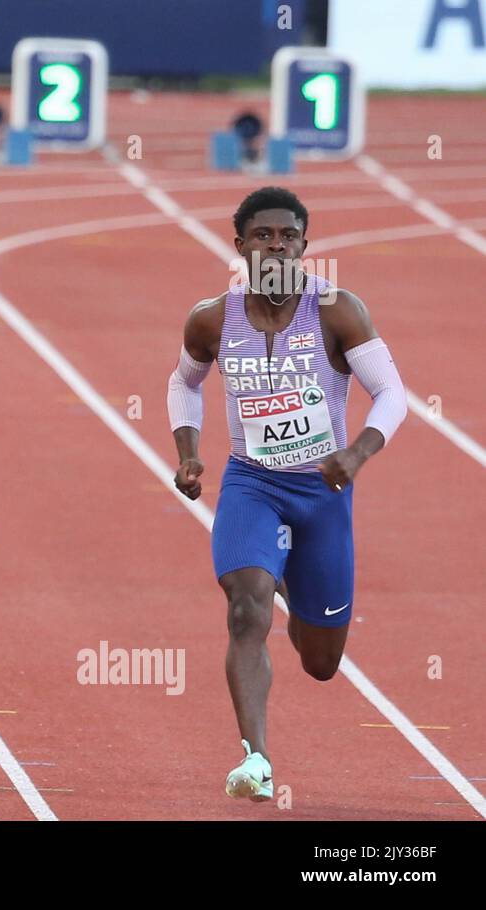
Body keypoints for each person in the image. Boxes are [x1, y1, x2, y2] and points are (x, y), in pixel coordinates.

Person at [166, 186, 407, 800]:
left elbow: (393, 394)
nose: (277, 245)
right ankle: (257, 759)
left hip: (322, 493)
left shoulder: (336, 311)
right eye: (264, 235)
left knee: (322, 663)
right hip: (252, 484)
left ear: (304, 244)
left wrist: (356, 453)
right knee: (246, 610)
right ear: (240, 242)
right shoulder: (212, 318)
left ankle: (294, 582)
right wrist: (189, 453)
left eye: (289, 236)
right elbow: (184, 382)